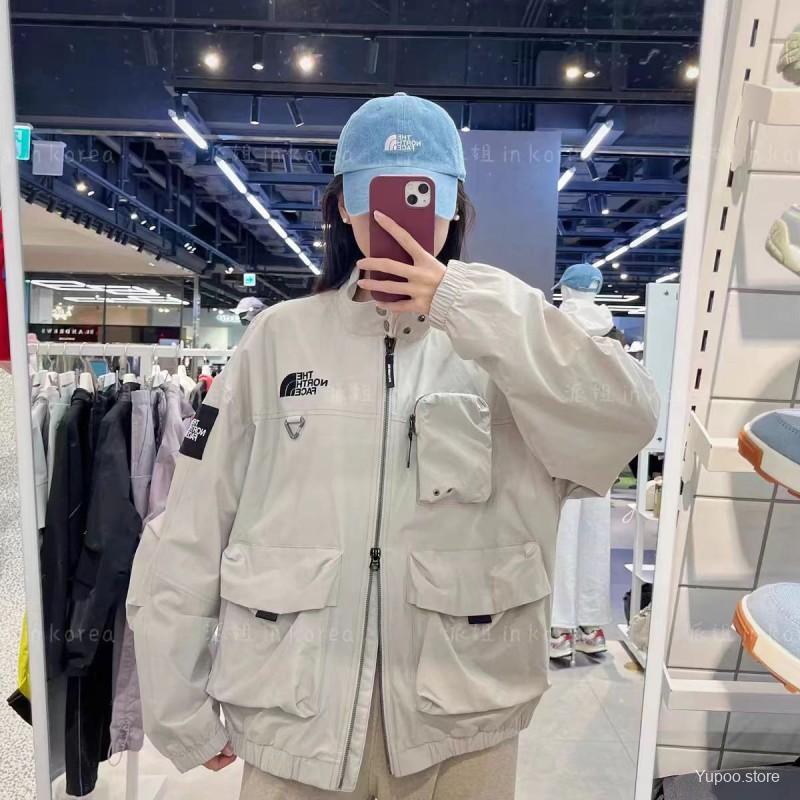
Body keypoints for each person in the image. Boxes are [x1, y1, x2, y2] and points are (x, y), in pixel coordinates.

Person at [128, 93, 659, 800]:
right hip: (294, 720)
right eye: (372, 195)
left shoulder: (506, 342)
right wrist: (181, 709)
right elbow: (193, 523)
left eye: (421, 196)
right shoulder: (277, 340)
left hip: (464, 724)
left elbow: (626, 419)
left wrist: (465, 304)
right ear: (342, 209)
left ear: (454, 208)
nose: (396, 217)